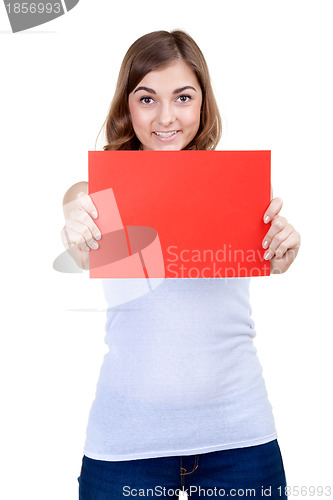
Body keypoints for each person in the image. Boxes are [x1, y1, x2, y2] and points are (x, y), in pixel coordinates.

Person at [61, 30, 301, 500]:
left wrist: (286, 246)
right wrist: (73, 213)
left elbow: (274, 253)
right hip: (127, 443)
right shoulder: (105, 190)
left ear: (202, 105)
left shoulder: (237, 190)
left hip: (239, 440)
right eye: (147, 98)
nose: (166, 117)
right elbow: (77, 210)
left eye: (183, 97)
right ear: (127, 107)